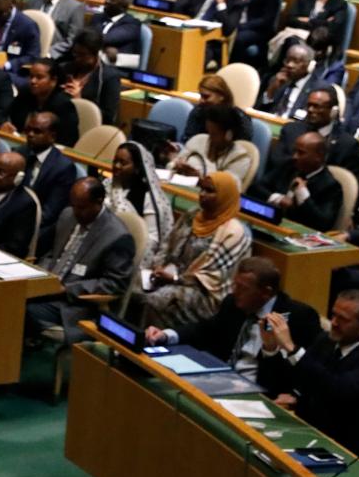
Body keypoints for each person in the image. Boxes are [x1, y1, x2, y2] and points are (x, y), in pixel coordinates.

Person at [145, 256, 319, 396]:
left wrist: (296, 395)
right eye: (235, 285)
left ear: (266, 292)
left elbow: (306, 369)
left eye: (242, 288)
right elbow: (205, 329)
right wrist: (166, 335)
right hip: (219, 379)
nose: (234, 292)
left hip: (257, 393)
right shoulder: (233, 304)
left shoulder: (299, 317)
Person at [26, 177, 136, 343]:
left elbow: (114, 284)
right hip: (46, 287)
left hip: (73, 303)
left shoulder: (117, 236)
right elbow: (52, 255)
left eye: (82, 207)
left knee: (21, 310)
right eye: (73, 205)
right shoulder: (68, 215)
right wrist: (41, 275)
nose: (76, 212)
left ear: (98, 202)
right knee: (6, 294)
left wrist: (67, 289)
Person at [261, 289, 359, 456]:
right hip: (307, 431)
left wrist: (291, 348)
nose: (334, 322)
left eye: (344, 319)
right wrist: (270, 347)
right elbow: (297, 378)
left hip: (346, 448)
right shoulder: (326, 341)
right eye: (334, 315)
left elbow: (340, 389)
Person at [143, 172, 252, 328]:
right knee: (133, 285)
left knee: (158, 300)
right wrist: (157, 267)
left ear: (224, 195)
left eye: (209, 191)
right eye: (201, 189)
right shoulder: (192, 215)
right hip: (171, 276)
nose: (202, 194)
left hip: (206, 296)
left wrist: (174, 279)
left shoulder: (236, 232)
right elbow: (167, 245)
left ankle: (149, 346)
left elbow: (212, 279)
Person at [249, 131, 344, 233]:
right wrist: (278, 199)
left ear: (318, 156)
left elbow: (323, 223)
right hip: (271, 224)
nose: (295, 156)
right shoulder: (289, 165)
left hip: (298, 234)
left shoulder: (331, 186)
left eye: (301, 153)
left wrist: (303, 195)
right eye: (295, 151)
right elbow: (255, 188)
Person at [108, 141, 173, 272]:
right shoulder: (107, 184)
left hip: (127, 255)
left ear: (138, 168)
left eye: (123, 163)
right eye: (115, 161)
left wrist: (135, 269)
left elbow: (151, 240)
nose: (117, 166)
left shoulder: (147, 196)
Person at [22, 111, 79, 253]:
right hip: (15, 220)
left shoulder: (63, 167)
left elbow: (50, 212)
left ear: (52, 136)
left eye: (37, 131)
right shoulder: (20, 154)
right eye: (28, 130)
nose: (30, 135)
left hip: (40, 228)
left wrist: (17, 222)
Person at [170, 104, 255, 184]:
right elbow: (172, 164)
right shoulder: (198, 139)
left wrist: (200, 179)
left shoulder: (240, 157)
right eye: (208, 131)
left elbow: (228, 187)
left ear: (229, 134)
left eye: (214, 134)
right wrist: (176, 165)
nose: (209, 138)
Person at [4, 58, 78, 148]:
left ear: (53, 81)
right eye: (31, 76)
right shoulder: (25, 95)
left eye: (39, 77)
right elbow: (8, 115)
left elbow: (67, 141)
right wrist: (6, 124)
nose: (33, 81)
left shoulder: (64, 105)